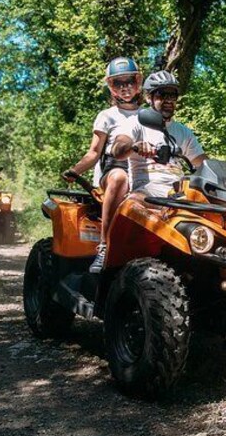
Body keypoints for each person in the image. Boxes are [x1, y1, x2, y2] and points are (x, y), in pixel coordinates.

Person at [61, 56, 143, 273]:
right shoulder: (107, 116)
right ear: (111, 86)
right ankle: (105, 246)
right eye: (118, 82)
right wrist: (75, 170)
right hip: (115, 169)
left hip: (145, 170)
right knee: (119, 178)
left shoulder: (150, 115)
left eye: (129, 81)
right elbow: (94, 152)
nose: (125, 87)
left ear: (138, 82)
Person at [111, 70, 207, 198]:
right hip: (146, 190)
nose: (168, 100)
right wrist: (134, 146)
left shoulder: (183, 131)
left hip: (179, 192)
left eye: (173, 95)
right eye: (162, 94)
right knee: (134, 203)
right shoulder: (136, 122)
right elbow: (117, 150)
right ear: (148, 98)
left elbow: (204, 164)